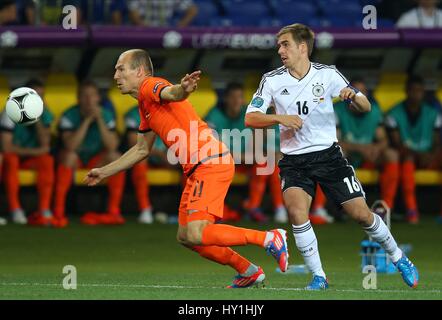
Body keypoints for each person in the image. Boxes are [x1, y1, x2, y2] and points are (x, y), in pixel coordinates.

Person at [84, 49, 289, 288]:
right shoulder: (145, 106)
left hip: (209, 163)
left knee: (196, 232)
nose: (115, 75)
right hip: (199, 168)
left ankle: (268, 238)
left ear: (139, 72)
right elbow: (141, 150)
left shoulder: (150, 85)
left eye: (121, 69)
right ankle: (248, 270)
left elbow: (171, 92)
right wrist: (104, 171)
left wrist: (183, 90)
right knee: (187, 237)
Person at [244, 23, 419, 290]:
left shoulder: (328, 75)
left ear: (303, 47)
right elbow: (250, 118)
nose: (280, 49)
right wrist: (280, 117)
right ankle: (319, 276)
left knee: (362, 215)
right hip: (294, 161)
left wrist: (352, 97)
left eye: (285, 44)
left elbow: (365, 105)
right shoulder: (272, 80)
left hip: (328, 157)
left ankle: (399, 257)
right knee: (296, 213)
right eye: (279, 45)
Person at [205, 82, 288, 223]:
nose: (237, 101)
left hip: (243, 163)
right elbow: (209, 147)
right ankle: (215, 210)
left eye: (240, 97)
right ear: (225, 99)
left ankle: (254, 208)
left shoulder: (249, 114)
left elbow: (258, 143)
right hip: (220, 164)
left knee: (266, 162)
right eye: (233, 97)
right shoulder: (214, 115)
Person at [52, 79, 125, 227]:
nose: (89, 100)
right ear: (78, 98)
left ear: (98, 98)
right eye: (85, 96)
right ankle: (58, 212)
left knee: (116, 157)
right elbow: (71, 146)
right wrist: (86, 121)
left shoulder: (106, 115)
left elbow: (112, 146)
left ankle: (113, 211)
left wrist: (99, 120)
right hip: (75, 159)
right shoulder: (69, 115)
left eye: (92, 96)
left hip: (95, 160)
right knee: (69, 155)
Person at [333, 77, 401, 215]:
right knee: (338, 152)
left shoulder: (374, 111)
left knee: (391, 154)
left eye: (362, 93)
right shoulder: (337, 110)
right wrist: (360, 148)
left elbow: (383, 139)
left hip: (368, 157)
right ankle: (336, 208)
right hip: (348, 156)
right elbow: (332, 141)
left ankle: (386, 207)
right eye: (354, 92)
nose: (358, 96)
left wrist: (377, 148)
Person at [385, 75, 442, 224]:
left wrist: (431, 155)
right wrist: (419, 155)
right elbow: (397, 144)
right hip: (408, 156)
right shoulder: (394, 113)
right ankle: (412, 210)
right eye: (413, 90)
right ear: (407, 91)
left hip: (429, 156)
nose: (416, 94)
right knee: (406, 159)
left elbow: (437, 141)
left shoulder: (433, 113)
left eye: (420, 91)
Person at [0, 78, 55, 226]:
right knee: (10, 159)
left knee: (47, 160)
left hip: (30, 159)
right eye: (35, 97)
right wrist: (36, 151)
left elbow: (45, 144)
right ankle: (15, 209)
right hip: (13, 157)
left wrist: (35, 118)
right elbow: (6, 147)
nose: (39, 100)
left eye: (41, 97)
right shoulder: (10, 111)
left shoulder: (44, 113)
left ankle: (44, 209)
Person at [128, 0, 198, 27]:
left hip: (164, 30)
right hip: (142, 30)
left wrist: (180, 25)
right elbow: (133, 14)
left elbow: (192, 10)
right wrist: (145, 29)